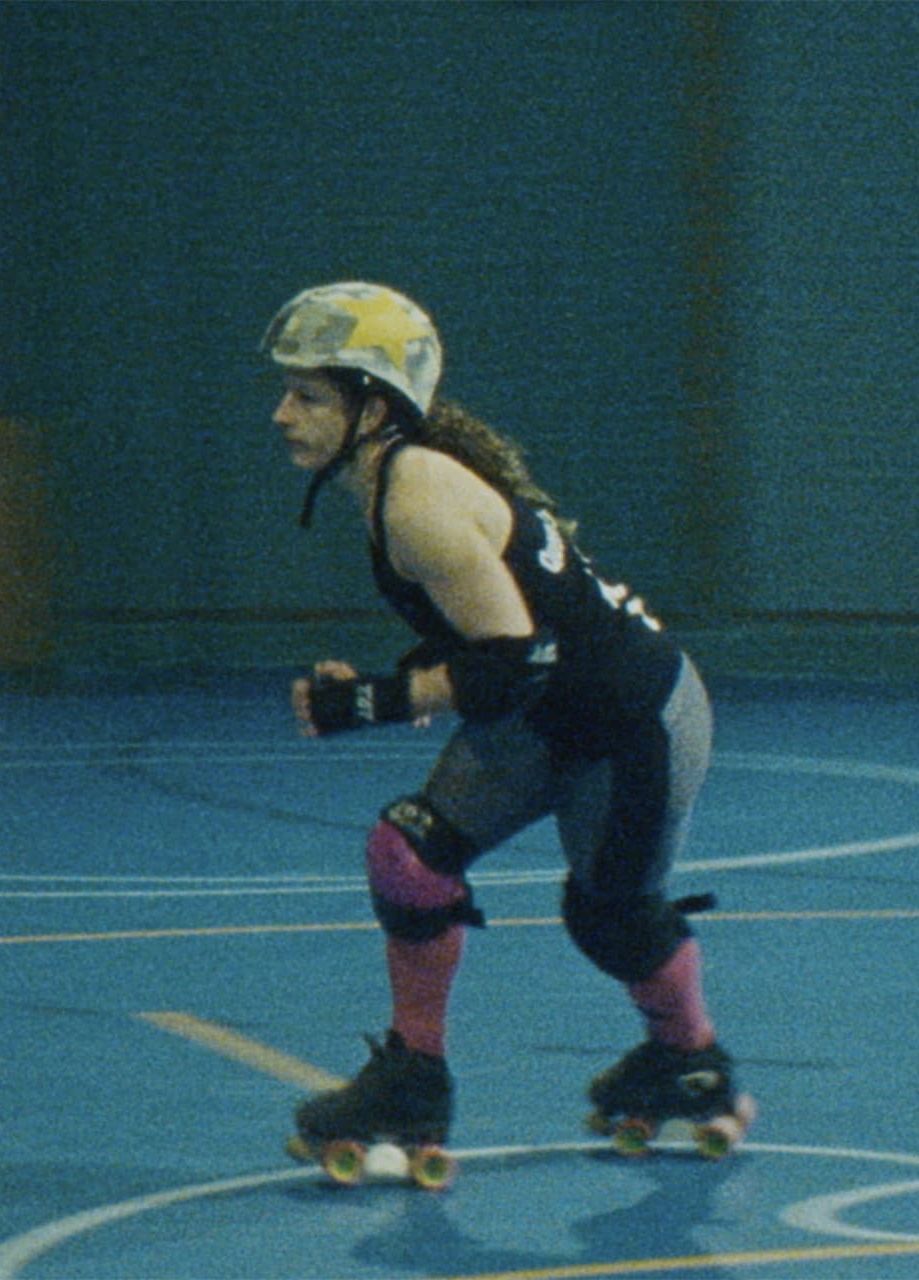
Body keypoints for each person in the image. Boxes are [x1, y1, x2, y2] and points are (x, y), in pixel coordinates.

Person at [264, 281, 747, 1159]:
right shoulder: (394, 477)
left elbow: (515, 658)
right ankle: (414, 1078)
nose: (282, 414)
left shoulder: (414, 495)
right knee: (408, 857)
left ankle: (690, 1061)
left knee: (608, 917)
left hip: (632, 720)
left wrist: (373, 701)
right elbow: (500, 638)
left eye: (308, 396)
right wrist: (397, 684)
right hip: (548, 709)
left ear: (374, 407)